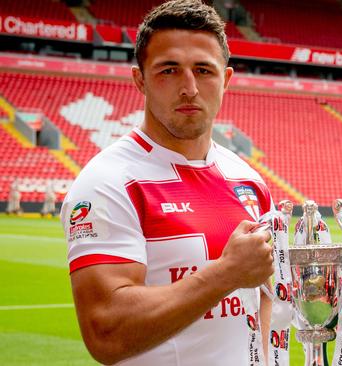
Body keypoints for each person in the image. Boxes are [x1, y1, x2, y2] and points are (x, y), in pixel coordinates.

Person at [60, 1, 274, 364]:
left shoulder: (248, 180)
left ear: (227, 78)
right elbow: (106, 332)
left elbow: (264, 293)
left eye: (204, 70)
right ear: (139, 79)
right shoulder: (108, 182)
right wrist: (225, 273)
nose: (189, 88)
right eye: (169, 70)